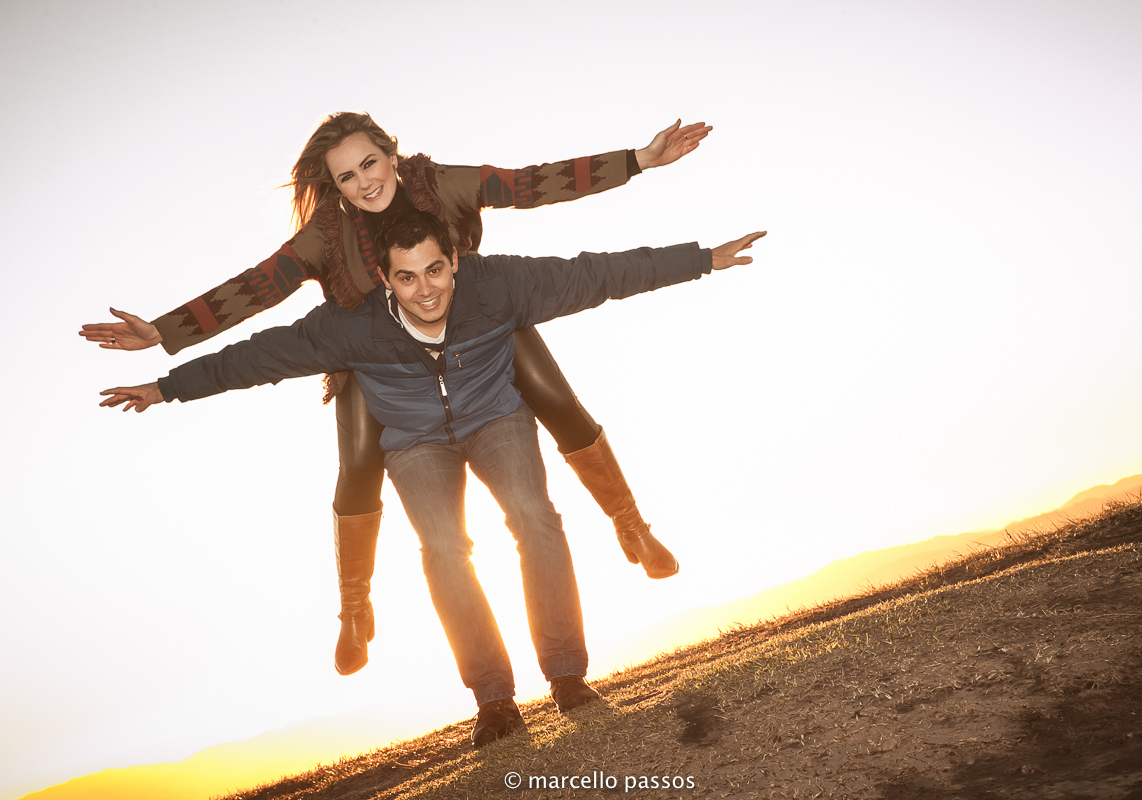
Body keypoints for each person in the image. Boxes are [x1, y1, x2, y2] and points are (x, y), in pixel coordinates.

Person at [79, 112, 712, 677]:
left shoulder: (441, 185)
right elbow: (257, 288)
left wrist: (639, 160)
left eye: (369, 164)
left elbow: (528, 184)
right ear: (335, 186)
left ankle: (631, 526)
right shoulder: (326, 235)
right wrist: (163, 333)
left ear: (391, 154)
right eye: (346, 177)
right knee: (359, 464)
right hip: (370, 354)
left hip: (476, 328)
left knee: (555, 400)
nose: (364, 183)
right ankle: (356, 609)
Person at [100, 211, 766, 747]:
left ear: (454, 261)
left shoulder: (498, 286)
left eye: (436, 270)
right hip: (415, 444)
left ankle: (567, 677)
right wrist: (165, 388)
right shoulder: (351, 327)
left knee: (534, 515)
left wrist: (701, 259)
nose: (426, 290)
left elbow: (595, 274)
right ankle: (494, 700)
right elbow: (257, 357)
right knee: (444, 548)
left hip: (496, 417)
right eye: (407, 277)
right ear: (386, 280)